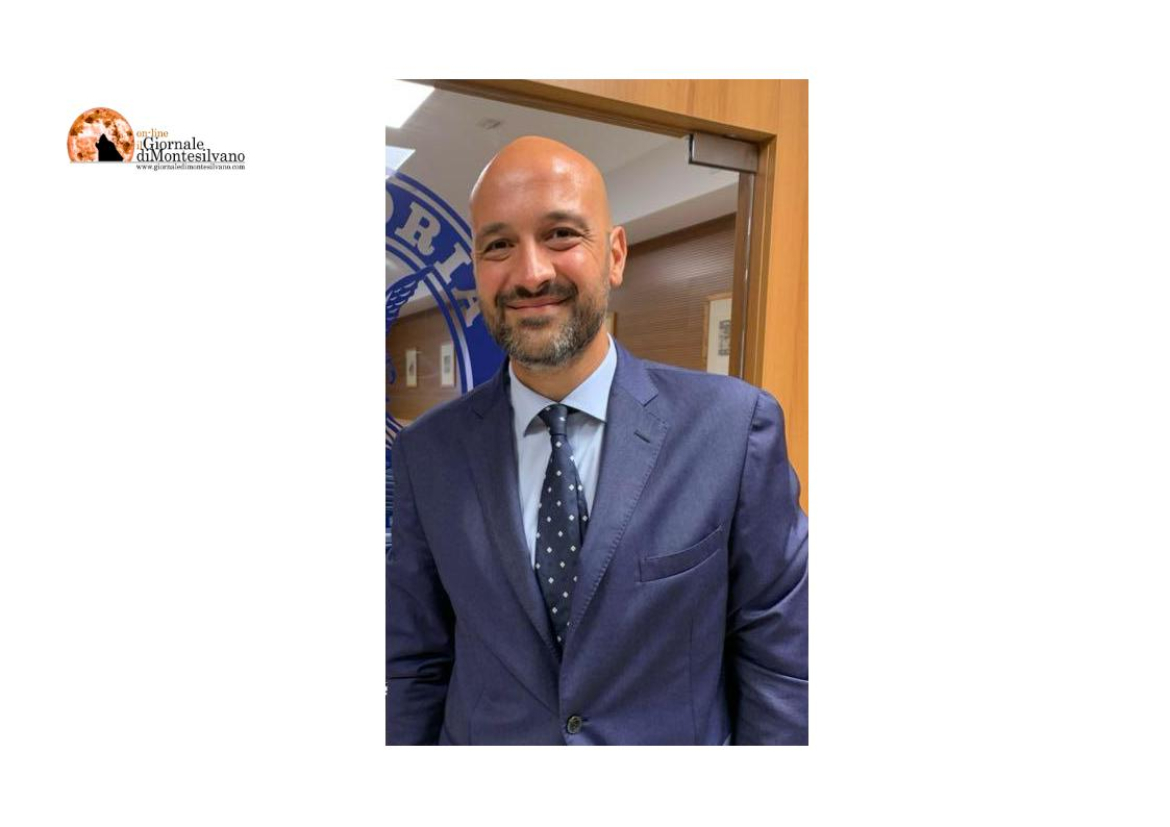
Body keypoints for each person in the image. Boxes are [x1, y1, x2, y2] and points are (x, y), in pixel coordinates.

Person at [386, 136, 808, 745]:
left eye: (560, 234)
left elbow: (783, 663)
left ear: (614, 255)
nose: (531, 273)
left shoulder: (734, 430)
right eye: (498, 245)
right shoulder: (426, 454)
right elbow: (415, 664)